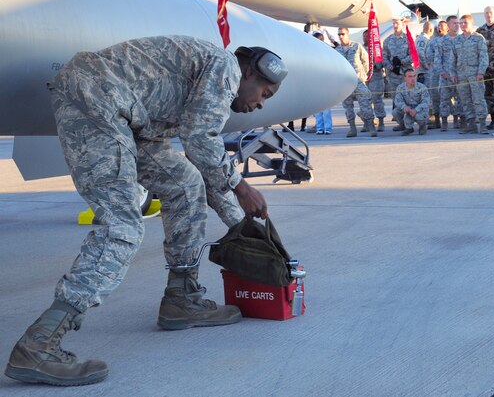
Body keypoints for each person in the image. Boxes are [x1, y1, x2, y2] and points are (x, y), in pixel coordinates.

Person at [4, 35, 287, 386]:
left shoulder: (206, 77)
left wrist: (243, 224)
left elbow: (202, 166)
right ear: (249, 73)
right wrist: (242, 187)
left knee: (185, 184)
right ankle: (40, 344)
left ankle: (182, 297)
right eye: (264, 94)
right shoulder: (226, 67)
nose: (260, 105)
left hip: (129, 119)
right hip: (98, 102)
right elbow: (201, 139)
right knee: (122, 227)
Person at [446, 14, 490, 134]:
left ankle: (482, 124)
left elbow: (484, 57)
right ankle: (471, 124)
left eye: (465, 23)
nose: (462, 25)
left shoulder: (478, 38)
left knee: (478, 99)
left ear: (471, 24)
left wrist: (481, 72)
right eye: (461, 23)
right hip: (461, 75)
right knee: (465, 101)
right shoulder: (457, 40)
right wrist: (453, 74)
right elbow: (452, 59)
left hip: (475, 74)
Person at [336, 27, 377, 137]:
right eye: (339, 34)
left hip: (358, 81)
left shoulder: (357, 46)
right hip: (345, 83)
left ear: (348, 34)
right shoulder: (337, 50)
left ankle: (371, 127)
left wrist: (363, 75)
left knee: (366, 104)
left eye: (343, 34)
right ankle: (352, 129)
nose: (341, 36)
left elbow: (366, 61)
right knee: (348, 107)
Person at [435, 15, 463, 130]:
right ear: (448, 25)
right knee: (444, 100)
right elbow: (437, 59)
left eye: (458, 23)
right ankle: (445, 122)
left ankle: (457, 120)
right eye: (454, 23)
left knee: (459, 99)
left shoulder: (462, 39)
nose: (457, 25)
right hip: (445, 76)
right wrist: (443, 73)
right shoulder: (441, 41)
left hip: (459, 75)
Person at [306, 31, 333, 134]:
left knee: (326, 107)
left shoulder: (327, 51)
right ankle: (320, 128)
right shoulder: (310, 53)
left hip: (325, 81)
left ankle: (328, 128)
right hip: (315, 82)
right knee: (317, 107)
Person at [382, 18, 413, 104]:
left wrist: (402, 62)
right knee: (395, 97)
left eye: (398, 24)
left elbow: (413, 55)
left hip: (406, 73)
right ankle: (396, 116)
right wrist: (390, 66)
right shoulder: (387, 40)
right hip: (393, 74)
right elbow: (384, 56)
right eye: (394, 24)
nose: (395, 26)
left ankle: (407, 116)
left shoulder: (408, 39)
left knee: (408, 97)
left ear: (402, 25)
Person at [393, 68, 431, 135]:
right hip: (407, 108)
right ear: (404, 78)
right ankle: (407, 127)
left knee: (419, 116)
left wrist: (416, 110)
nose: (413, 78)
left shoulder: (422, 87)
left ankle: (422, 126)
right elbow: (397, 100)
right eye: (410, 76)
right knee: (395, 112)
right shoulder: (400, 87)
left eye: (414, 76)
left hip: (419, 110)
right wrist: (404, 107)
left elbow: (426, 102)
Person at [362, 29, 387, 131]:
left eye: (368, 36)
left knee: (377, 100)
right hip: (365, 78)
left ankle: (381, 122)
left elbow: (383, 63)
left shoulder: (377, 49)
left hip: (376, 77)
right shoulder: (361, 48)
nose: (365, 38)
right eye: (364, 36)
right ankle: (367, 122)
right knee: (365, 101)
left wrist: (375, 62)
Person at [425, 20, 447, 129]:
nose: (440, 28)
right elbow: (428, 56)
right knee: (435, 96)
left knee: (449, 97)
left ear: (447, 28)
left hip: (448, 72)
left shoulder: (451, 40)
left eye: (442, 26)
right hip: (435, 73)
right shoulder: (433, 41)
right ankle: (437, 120)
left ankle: (455, 120)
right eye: (438, 26)